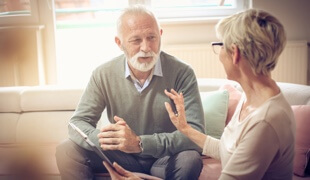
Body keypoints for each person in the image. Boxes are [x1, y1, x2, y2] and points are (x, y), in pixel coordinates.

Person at [103, 8, 296, 180]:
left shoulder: (265, 120)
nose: (219, 53)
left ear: (235, 53)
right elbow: (227, 150)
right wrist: (186, 129)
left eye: (220, 45)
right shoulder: (252, 98)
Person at [55, 4, 205, 180]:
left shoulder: (182, 72)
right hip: (121, 157)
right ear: (119, 43)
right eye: (136, 40)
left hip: (164, 159)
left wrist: (140, 143)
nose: (146, 47)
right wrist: (109, 140)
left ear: (161, 35)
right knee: (66, 150)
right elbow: (77, 123)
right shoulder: (103, 74)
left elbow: (196, 133)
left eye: (152, 37)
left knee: (190, 159)